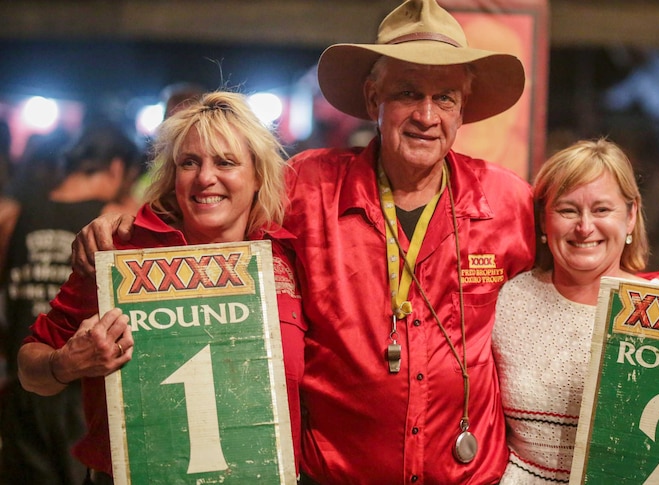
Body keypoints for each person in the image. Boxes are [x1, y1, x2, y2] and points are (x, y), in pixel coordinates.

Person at [71, 1, 532, 483]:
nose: (426, 115)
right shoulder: (307, 186)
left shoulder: (509, 202)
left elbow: (569, 274)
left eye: (446, 98)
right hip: (333, 476)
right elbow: (209, 210)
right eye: (407, 93)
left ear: (464, 109)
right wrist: (127, 224)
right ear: (373, 98)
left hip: (467, 476)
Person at [17, 91, 304, 484]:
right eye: (190, 162)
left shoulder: (288, 257)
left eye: (226, 162)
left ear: (257, 176)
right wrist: (66, 363)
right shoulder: (122, 252)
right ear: (172, 175)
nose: (205, 177)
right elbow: (29, 368)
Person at [492, 138, 659, 484]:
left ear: (631, 216)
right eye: (567, 210)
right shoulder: (510, 299)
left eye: (602, 210)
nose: (584, 227)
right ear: (543, 220)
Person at [0, 124, 140, 485]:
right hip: (83, 393)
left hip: (24, 384)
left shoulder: (13, 214)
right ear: (116, 169)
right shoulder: (116, 217)